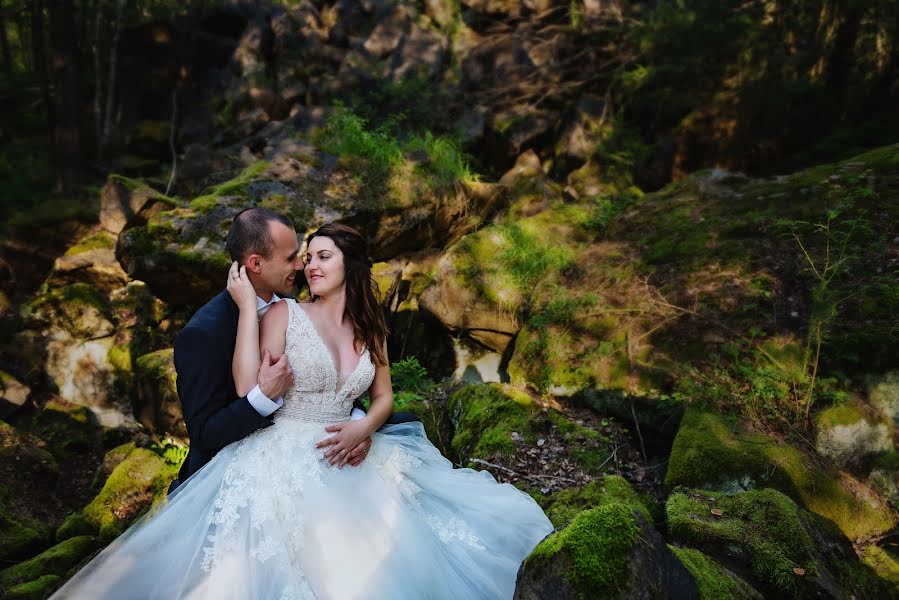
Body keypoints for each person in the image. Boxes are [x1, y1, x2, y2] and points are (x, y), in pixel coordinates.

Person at [52, 220, 553, 599]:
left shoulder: (371, 324)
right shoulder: (281, 314)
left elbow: (383, 398)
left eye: (320, 256)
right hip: (285, 453)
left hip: (352, 448)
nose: (308, 266)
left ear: (350, 267)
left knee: (435, 549)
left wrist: (365, 429)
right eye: (304, 257)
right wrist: (249, 309)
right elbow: (249, 387)